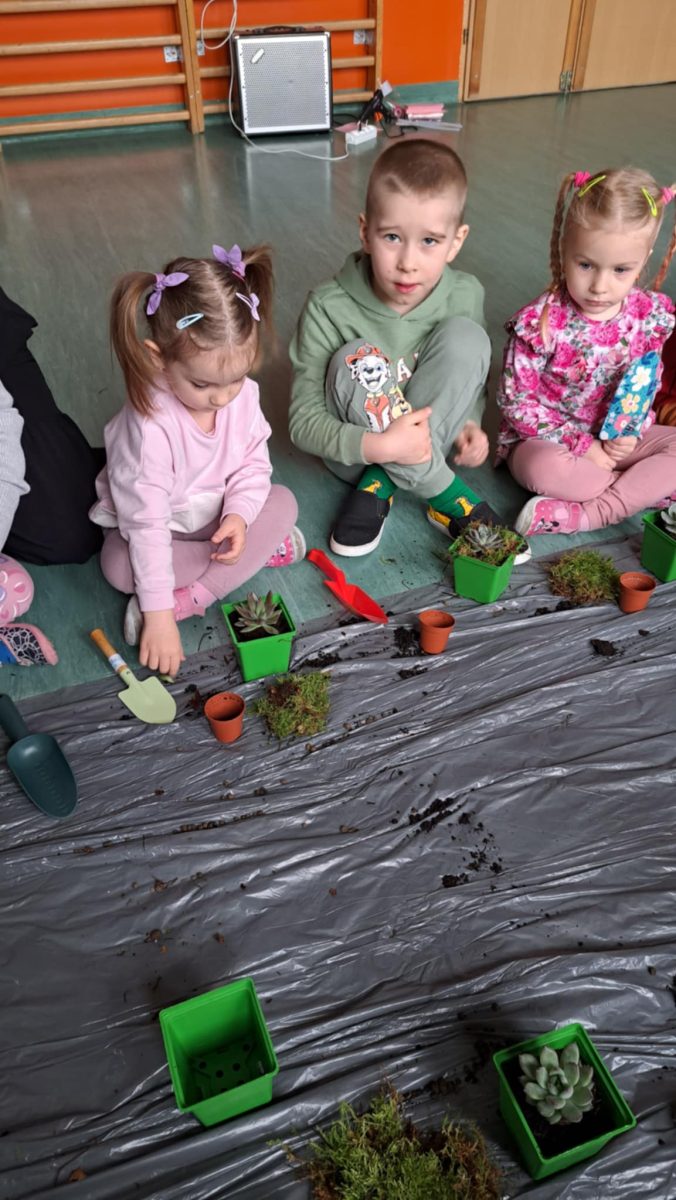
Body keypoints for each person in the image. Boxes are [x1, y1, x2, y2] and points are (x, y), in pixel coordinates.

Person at [289, 139, 524, 558]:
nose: (408, 262)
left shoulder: (465, 293)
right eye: (393, 237)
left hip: (431, 439)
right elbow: (303, 422)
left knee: (468, 338)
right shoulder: (328, 306)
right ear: (365, 231)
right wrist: (378, 448)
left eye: (430, 241)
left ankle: (378, 485)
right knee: (356, 357)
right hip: (358, 453)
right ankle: (448, 497)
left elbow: (467, 379)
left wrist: (468, 422)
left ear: (457, 241)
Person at [90, 244, 305, 678]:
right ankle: (249, 557)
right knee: (118, 566)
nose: (222, 398)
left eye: (236, 379)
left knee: (283, 502)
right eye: (203, 385)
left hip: (215, 519)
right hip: (161, 528)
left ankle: (190, 597)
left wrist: (239, 517)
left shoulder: (242, 396)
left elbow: (253, 466)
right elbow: (147, 526)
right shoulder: (149, 427)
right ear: (158, 357)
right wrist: (157, 619)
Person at [496, 168, 676, 537]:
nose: (599, 286)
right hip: (548, 444)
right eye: (585, 265)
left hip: (616, 442)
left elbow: (647, 381)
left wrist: (633, 431)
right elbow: (515, 403)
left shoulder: (649, 316)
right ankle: (640, 490)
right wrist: (583, 446)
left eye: (621, 270)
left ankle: (589, 514)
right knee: (542, 469)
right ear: (565, 249)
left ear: (644, 259)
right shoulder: (541, 322)